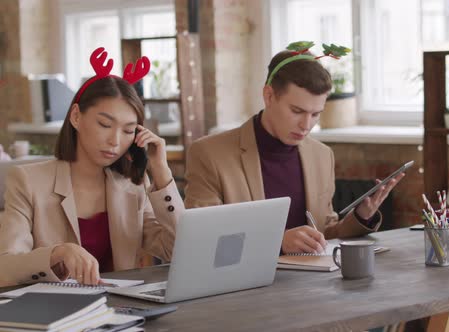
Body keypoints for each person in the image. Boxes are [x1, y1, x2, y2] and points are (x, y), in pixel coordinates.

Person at [185, 42, 403, 254]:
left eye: (316, 114)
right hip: (244, 285)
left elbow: (324, 233)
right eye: (297, 111)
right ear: (269, 96)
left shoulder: (321, 155)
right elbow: (204, 238)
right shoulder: (210, 154)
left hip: (312, 284)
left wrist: (361, 217)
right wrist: (277, 241)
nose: (306, 125)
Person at [0, 47, 184, 287]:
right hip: (55, 314)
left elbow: (179, 250)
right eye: (105, 124)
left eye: (128, 130)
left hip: (119, 311)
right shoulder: (28, 181)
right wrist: (57, 253)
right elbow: (5, 268)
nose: (115, 141)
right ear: (76, 116)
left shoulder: (132, 186)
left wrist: (161, 171)